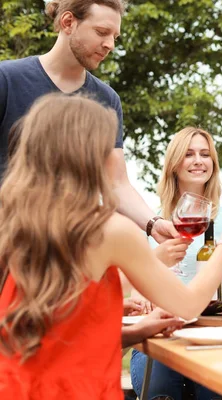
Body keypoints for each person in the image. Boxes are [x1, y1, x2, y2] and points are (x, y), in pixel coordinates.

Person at [0, 93, 222, 400]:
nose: (116, 157)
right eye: (110, 147)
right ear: (86, 155)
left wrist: (132, 332)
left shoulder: (15, 223)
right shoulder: (109, 230)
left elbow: (51, 329)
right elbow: (186, 305)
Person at [0, 0, 177, 243]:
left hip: (73, 252)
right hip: (9, 245)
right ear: (68, 22)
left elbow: (116, 183)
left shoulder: (107, 100)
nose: (110, 45)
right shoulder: (7, 79)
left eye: (115, 36)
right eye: (102, 32)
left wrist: (153, 223)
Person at [129, 126, 222, 400]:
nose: (199, 161)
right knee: (160, 388)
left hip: (212, 331)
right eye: (189, 154)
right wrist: (156, 264)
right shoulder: (150, 221)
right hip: (160, 335)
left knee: (214, 391)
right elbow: (134, 291)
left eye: (205, 154)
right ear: (174, 164)